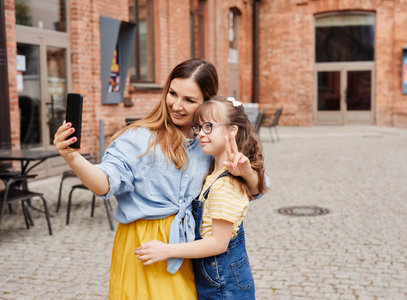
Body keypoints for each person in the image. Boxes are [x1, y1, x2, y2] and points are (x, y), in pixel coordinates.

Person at [53, 58, 263, 300]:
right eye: (172, 93)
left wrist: (244, 172)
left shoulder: (209, 140)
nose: (176, 105)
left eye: (189, 100)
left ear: (206, 103)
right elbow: (104, 183)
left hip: (188, 250)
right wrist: (72, 158)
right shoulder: (138, 139)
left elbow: (255, 187)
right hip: (146, 246)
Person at [134, 96, 268, 299]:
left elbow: (218, 244)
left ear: (232, 130)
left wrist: (167, 250)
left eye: (209, 126)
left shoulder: (225, 185)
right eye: (198, 127)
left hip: (224, 285)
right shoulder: (212, 172)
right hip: (216, 279)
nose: (200, 134)